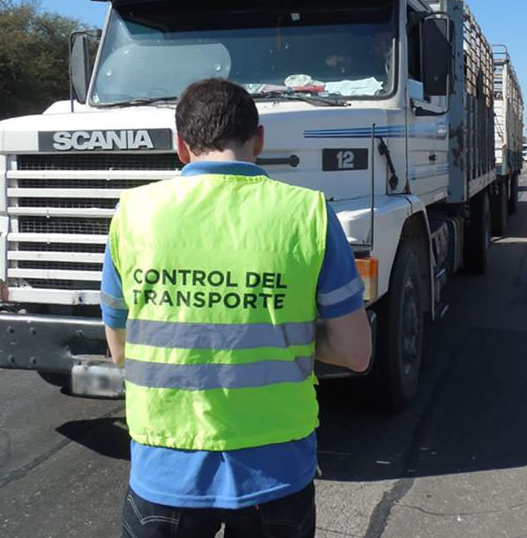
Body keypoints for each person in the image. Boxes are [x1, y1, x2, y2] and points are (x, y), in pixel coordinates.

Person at [101, 78, 372, 537]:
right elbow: (355, 354)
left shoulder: (133, 212)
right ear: (260, 139)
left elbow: (121, 350)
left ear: (181, 146)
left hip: (165, 470)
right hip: (277, 469)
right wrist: (291, 335)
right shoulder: (308, 214)